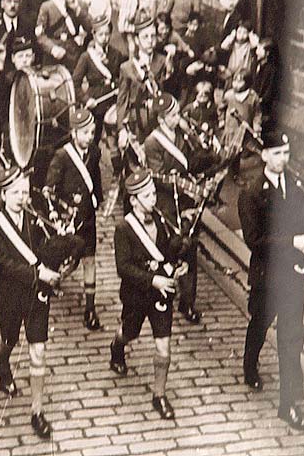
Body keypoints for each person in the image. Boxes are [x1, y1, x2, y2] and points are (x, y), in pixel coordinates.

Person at [238, 130, 304, 431]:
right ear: (264, 155)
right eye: (277, 153)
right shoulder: (251, 191)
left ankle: (288, 404)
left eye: (286, 154)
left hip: (293, 273)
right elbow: (255, 240)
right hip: (267, 275)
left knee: (291, 338)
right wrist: (294, 242)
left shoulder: (294, 184)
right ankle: (249, 363)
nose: (283, 159)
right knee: (260, 323)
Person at [0, 166, 61, 439]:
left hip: (36, 295)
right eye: (15, 192)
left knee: (37, 351)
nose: (21, 197)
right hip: (9, 295)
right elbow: (5, 265)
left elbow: (45, 250)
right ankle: (3, 363)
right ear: (4, 195)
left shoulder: (34, 218)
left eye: (25, 192)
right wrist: (39, 272)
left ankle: (37, 412)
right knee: (9, 339)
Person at [109, 168, 189, 419]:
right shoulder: (124, 228)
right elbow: (123, 268)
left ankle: (159, 395)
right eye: (147, 195)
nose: (153, 199)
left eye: (154, 193)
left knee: (163, 345)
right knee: (129, 332)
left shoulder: (161, 220)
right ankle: (116, 346)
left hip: (160, 295)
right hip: (136, 294)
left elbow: (167, 253)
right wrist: (153, 280)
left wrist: (178, 263)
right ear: (133, 200)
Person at [144, 93, 218, 323]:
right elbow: (156, 177)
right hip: (166, 202)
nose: (178, 118)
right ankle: (163, 293)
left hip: (186, 199)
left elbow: (192, 162)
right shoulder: (152, 142)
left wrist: (208, 152)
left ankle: (188, 303)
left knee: (190, 247)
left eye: (177, 114)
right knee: (168, 248)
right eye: (174, 115)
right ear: (162, 119)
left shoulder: (182, 135)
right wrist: (179, 181)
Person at [44, 108, 103, 330]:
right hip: (67, 217)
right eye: (86, 132)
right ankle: (51, 279)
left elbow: (95, 179)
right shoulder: (61, 156)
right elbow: (49, 189)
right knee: (68, 258)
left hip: (87, 216)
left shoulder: (95, 152)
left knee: (90, 259)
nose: (90, 137)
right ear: (74, 133)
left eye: (92, 132)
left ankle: (90, 309)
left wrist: (97, 199)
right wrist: (57, 214)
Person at [72, 14, 124, 173]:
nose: (104, 38)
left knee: (114, 140)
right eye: (100, 34)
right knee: (92, 141)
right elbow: (75, 83)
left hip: (113, 100)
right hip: (95, 104)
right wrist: (86, 99)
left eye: (107, 34)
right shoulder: (86, 57)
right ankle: (88, 172)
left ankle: (117, 174)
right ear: (94, 35)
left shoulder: (116, 53)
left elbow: (122, 75)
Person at [116, 16, 166, 147]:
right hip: (137, 121)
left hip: (159, 119)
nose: (150, 41)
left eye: (153, 36)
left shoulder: (163, 61)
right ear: (137, 40)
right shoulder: (127, 68)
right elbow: (122, 101)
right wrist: (121, 129)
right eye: (145, 37)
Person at [36, 0, 89, 72]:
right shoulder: (47, 6)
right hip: (52, 55)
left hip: (73, 54)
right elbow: (40, 35)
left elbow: (91, 28)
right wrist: (52, 48)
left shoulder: (81, 5)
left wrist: (77, 11)